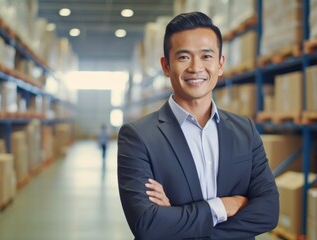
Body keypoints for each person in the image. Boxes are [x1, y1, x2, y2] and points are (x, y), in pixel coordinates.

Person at [117, 11, 279, 239]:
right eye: (183, 57)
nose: (196, 67)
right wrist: (223, 206)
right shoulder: (138, 136)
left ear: (220, 64)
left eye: (206, 56)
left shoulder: (245, 131)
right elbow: (148, 224)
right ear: (166, 66)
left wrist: (176, 220)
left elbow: (269, 212)